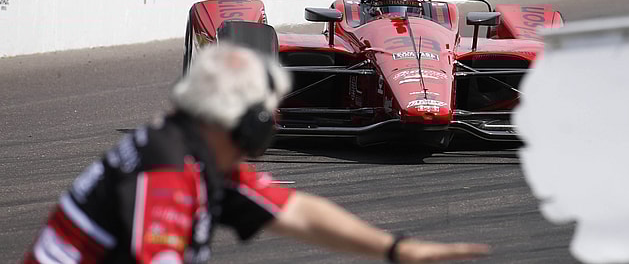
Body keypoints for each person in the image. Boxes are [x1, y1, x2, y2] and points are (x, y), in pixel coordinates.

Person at [23, 44, 489, 264]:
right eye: (267, 113)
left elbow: (297, 212)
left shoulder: (197, 156)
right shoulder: (167, 167)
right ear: (246, 120)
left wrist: (395, 249)